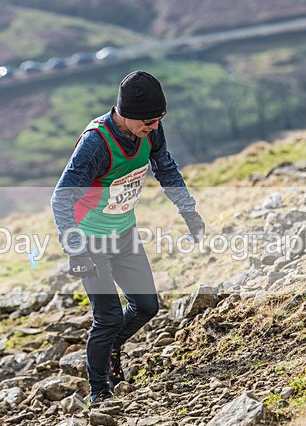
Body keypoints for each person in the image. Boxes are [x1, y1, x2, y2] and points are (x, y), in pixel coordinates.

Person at [51, 71, 205, 405]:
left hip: (124, 234)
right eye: (149, 121)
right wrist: (75, 251)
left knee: (147, 305)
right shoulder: (96, 144)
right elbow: (61, 199)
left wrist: (188, 212)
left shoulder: (150, 130)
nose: (154, 126)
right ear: (126, 115)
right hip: (91, 242)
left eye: (159, 119)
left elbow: (166, 168)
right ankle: (99, 392)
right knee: (106, 317)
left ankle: (111, 347)